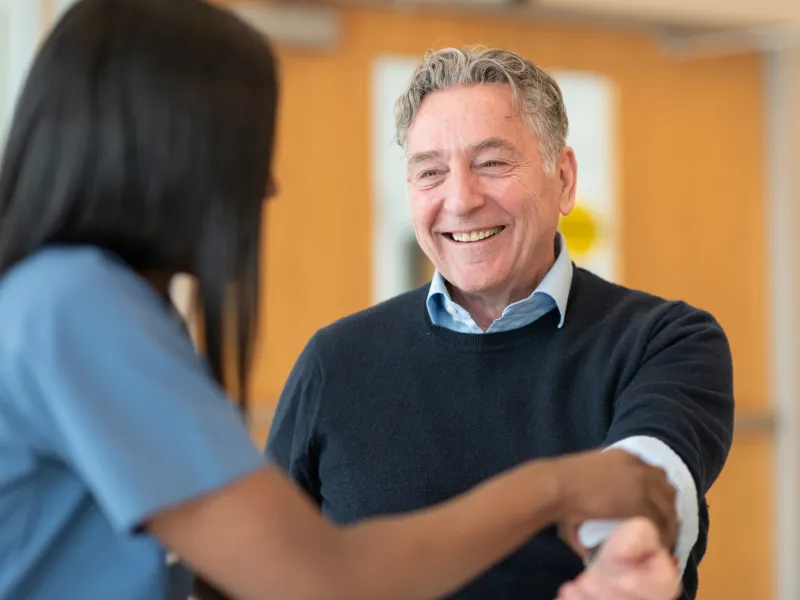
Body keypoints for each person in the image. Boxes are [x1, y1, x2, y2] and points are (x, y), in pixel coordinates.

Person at [0, 2, 681, 600]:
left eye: (493, 162)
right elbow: (320, 575)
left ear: (563, 179)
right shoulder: (78, 312)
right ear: (167, 152)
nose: (266, 185)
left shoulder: (55, 302)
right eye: (247, 149)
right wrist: (559, 487)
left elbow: (221, 570)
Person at [266, 46, 735, 600]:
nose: (460, 199)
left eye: (491, 163)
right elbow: (264, 567)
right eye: (430, 172)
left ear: (563, 178)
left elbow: (649, 477)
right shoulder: (335, 361)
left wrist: (625, 553)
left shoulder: (664, 340)